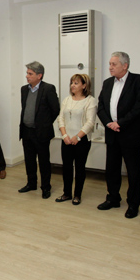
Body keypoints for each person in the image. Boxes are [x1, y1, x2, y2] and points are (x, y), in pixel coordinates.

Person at [96, 51, 140, 218]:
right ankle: (113, 198)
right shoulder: (107, 83)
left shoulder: (138, 81)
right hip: (112, 133)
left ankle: (133, 204)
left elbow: (138, 107)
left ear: (125, 66)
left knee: (133, 172)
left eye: (114, 64)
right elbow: (100, 106)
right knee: (111, 169)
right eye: (110, 64)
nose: (110, 67)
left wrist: (120, 123)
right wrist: (109, 123)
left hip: (130, 134)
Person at [18, 61, 60, 198]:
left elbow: (55, 109)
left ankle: (46, 187)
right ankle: (31, 183)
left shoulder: (48, 89)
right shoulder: (24, 89)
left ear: (39, 75)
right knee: (29, 160)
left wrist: (45, 124)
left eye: (30, 74)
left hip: (41, 132)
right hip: (26, 131)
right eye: (27, 73)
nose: (27, 76)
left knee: (43, 162)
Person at [55, 74, 97, 205]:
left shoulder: (90, 101)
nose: (72, 85)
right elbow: (60, 118)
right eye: (72, 83)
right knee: (67, 168)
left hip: (82, 140)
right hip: (66, 139)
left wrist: (78, 136)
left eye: (76, 83)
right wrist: (64, 136)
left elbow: (90, 122)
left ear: (84, 85)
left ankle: (77, 195)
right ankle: (67, 193)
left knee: (80, 168)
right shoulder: (67, 100)